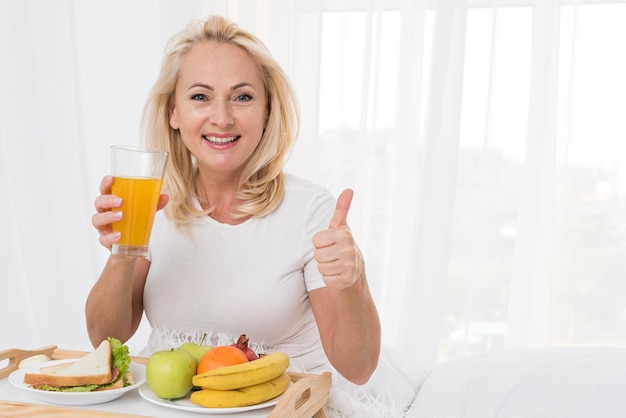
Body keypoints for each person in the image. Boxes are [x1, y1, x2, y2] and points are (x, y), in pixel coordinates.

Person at [86, 14, 381, 391]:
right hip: (167, 402)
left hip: (278, 405)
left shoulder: (310, 211)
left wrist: (355, 280)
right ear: (173, 112)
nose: (222, 118)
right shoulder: (154, 203)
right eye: (200, 97)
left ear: (267, 111)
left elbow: (357, 369)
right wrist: (122, 253)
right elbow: (103, 337)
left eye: (242, 97)